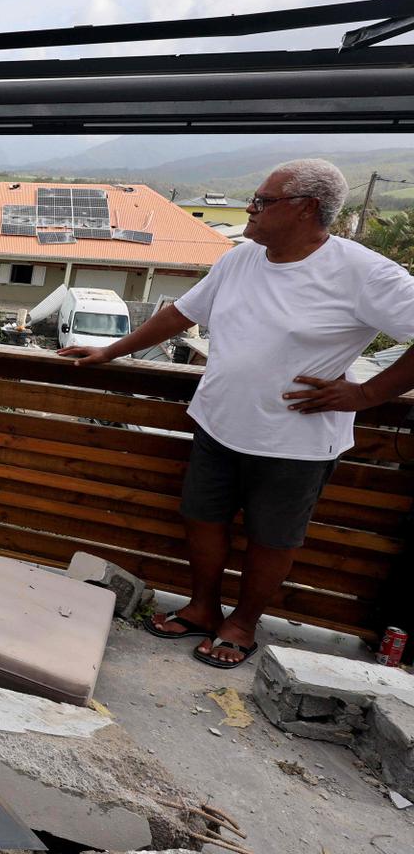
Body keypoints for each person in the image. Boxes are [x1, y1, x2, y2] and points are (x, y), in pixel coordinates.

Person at [58, 159, 414, 669]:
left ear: (306, 208)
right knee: (202, 518)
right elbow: (181, 314)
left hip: (295, 440)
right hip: (218, 421)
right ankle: (204, 607)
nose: (250, 208)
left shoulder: (363, 273)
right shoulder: (241, 259)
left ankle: (242, 624)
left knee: (273, 539)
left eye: (263, 201)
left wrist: (366, 395)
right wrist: (111, 352)